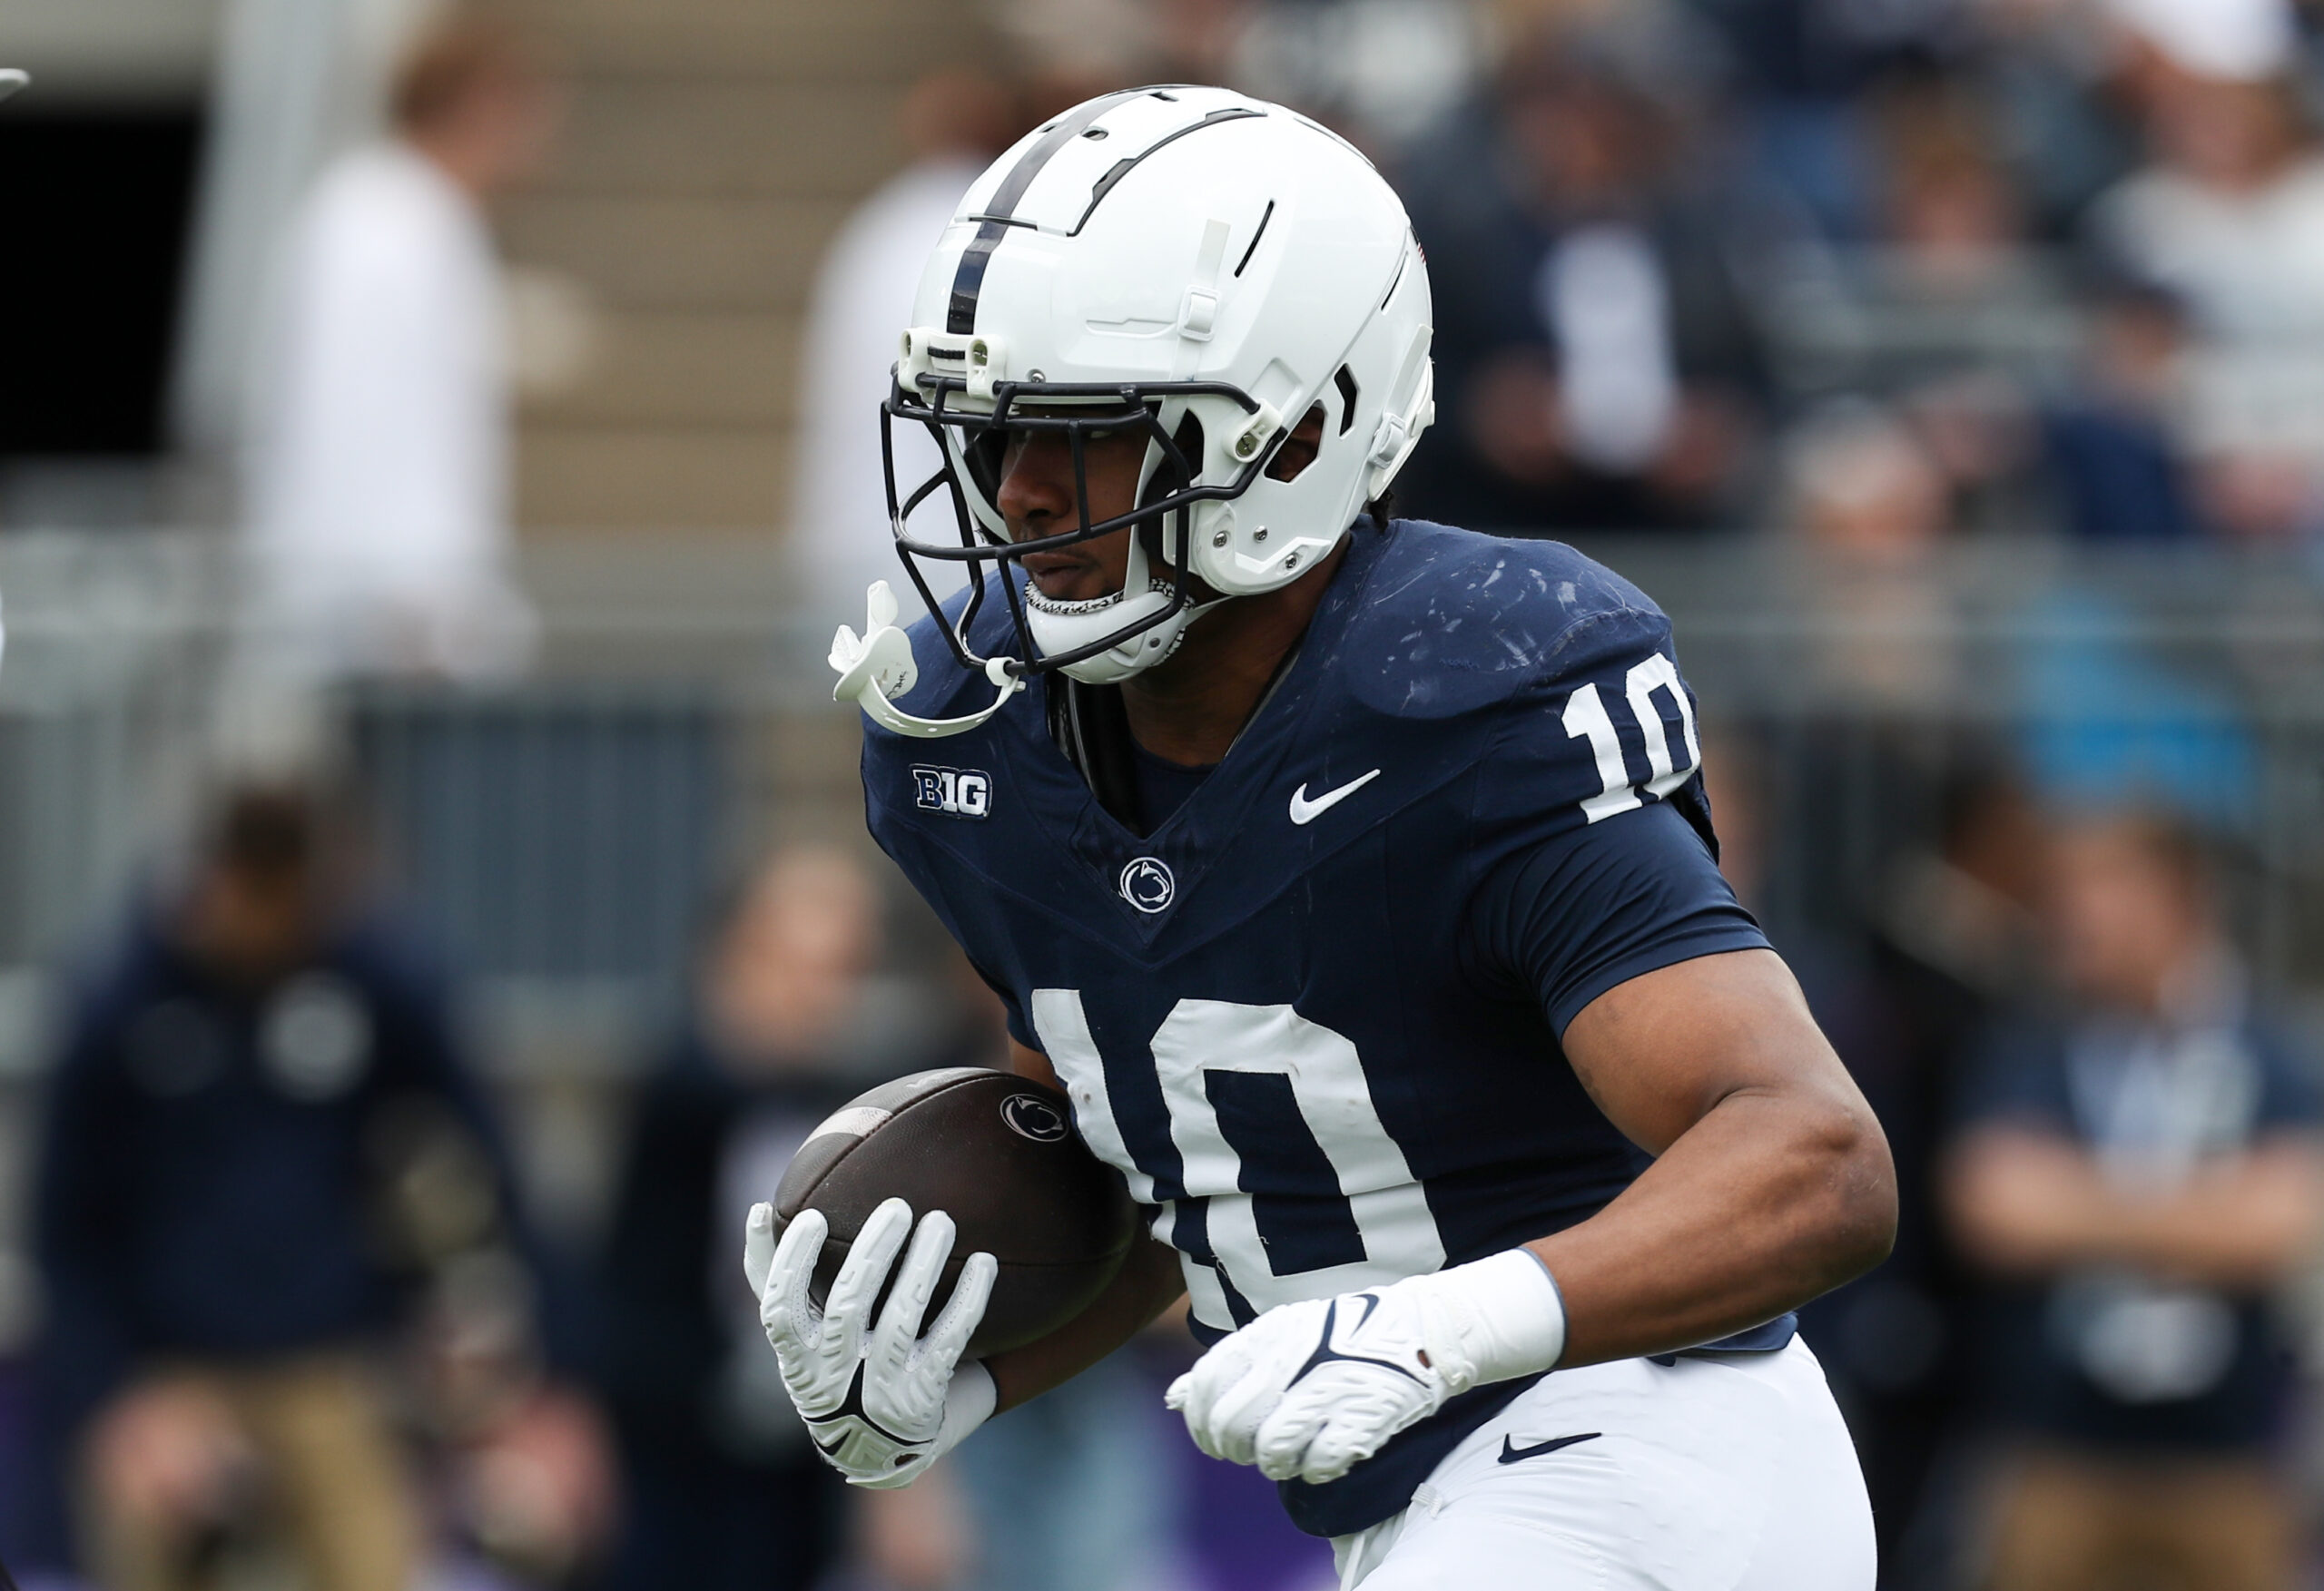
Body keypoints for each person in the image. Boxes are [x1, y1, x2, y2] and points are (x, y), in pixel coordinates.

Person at [749, 87, 1895, 1587]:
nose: (1017, 484)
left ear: (1289, 435)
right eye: (992, 426)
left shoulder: (1467, 698)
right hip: (1418, 1502)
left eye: (1084, 432)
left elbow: (1816, 1155)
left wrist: (1451, 1317)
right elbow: (1191, 1167)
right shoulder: (971, 737)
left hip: (1642, 1448)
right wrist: (967, 1388)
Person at [26, 782, 560, 1591]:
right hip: (171, 1376)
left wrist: (540, 1369)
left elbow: (490, 1152)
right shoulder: (123, 1000)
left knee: (379, 1559)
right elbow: (65, 1228)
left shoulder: (369, 978)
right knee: (145, 1531)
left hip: (334, 1366)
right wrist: (112, 1400)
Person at [1944, 808, 2324, 1591]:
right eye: (2066, 893)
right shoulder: (2031, 1042)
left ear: (2180, 899)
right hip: (2056, 1452)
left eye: (2103, 890)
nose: (2073, 917)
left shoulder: (2265, 1047)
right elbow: (1991, 1206)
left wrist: (2077, 1205)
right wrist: (2199, 1213)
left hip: (2228, 1463)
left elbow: (2281, 1222)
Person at [243, 21, 557, 682]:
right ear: (479, 106)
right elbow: (357, 418)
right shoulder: (386, 225)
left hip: (389, 605)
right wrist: (417, 599)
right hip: (390, 616)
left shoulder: (399, 217)